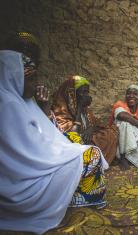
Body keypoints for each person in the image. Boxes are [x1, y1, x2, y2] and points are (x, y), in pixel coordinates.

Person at [0, 33, 106, 234]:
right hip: (26, 180)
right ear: (14, 76)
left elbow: (43, 134)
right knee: (89, 152)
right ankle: (73, 199)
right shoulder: (8, 105)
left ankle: (72, 195)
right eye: (31, 80)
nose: (35, 85)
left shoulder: (23, 100)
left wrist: (41, 107)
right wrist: (68, 148)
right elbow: (33, 152)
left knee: (90, 143)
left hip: (41, 159)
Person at [51, 76, 118, 165]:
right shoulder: (60, 110)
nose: (86, 96)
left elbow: (97, 124)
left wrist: (90, 129)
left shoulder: (86, 109)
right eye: (82, 92)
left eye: (87, 92)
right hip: (71, 147)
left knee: (111, 132)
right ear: (72, 94)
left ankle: (98, 161)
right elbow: (72, 136)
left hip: (86, 140)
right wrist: (79, 107)